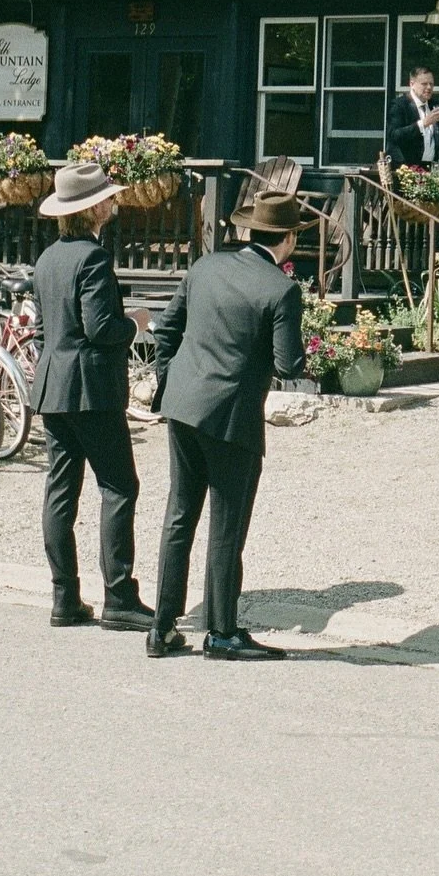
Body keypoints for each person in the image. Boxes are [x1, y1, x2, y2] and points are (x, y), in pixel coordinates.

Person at [148, 191, 305, 661]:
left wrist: (168, 378)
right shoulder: (281, 289)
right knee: (226, 523)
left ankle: (162, 628)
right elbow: (289, 364)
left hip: (182, 402)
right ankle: (221, 632)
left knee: (180, 514)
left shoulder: (206, 266)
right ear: (289, 239)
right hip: (232, 414)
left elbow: (166, 328)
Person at [30, 162, 153, 631]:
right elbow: (101, 329)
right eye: (110, 197)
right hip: (92, 390)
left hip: (53, 386)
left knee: (61, 493)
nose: (115, 202)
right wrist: (136, 323)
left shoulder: (47, 259)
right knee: (119, 487)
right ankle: (119, 595)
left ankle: (65, 596)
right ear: (95, 207)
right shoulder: (94, 259)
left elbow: (43, 331)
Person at [388, 65, 439, 170]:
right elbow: (395, 135)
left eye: (431, 84)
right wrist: (423, 123)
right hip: (405, 170)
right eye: (424, 84)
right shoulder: (399, 105)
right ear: (412, 84)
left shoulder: (434, 106)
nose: (429, 88)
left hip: (429, 169)